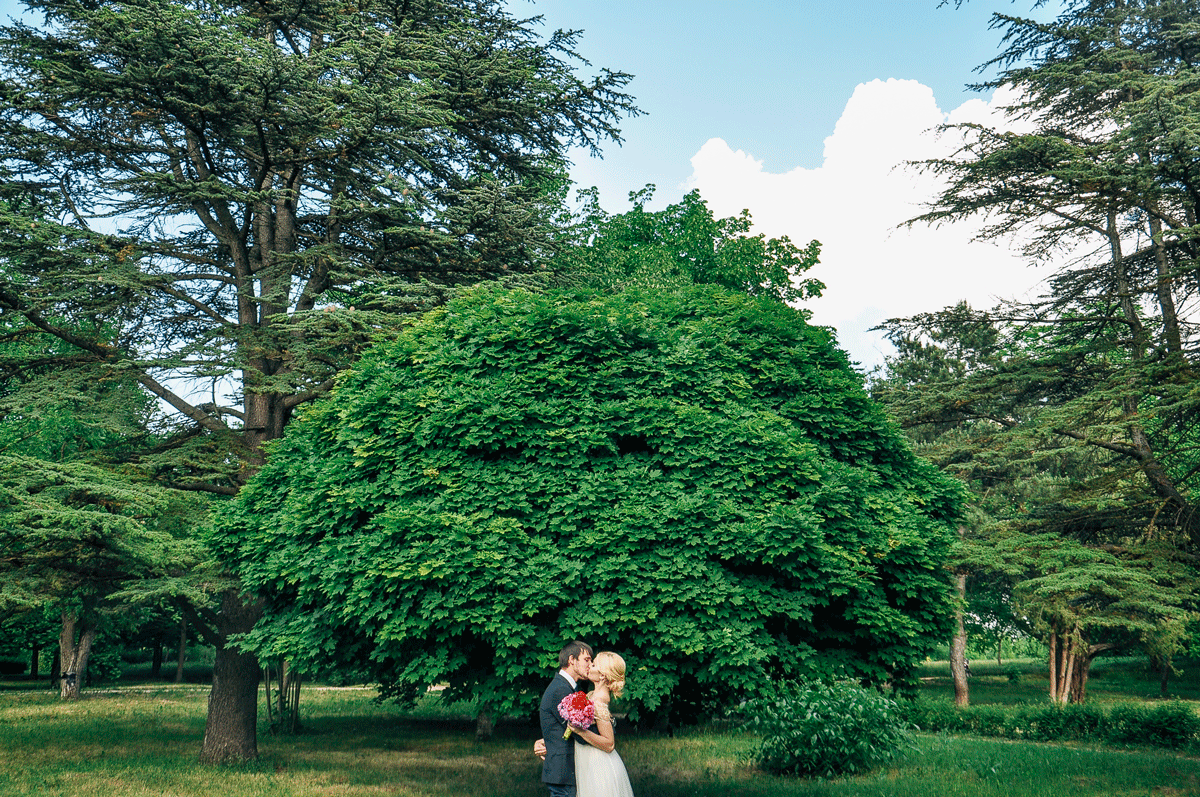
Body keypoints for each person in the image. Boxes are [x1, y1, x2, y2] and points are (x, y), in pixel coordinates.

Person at [536, 651, 634, 797]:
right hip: (588, 760)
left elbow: (609, 744)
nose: (589, 666)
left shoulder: (600, 701)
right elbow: (591, 728)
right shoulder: (593, 695)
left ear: (602, 675)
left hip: (599, 764)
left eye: (593, 664)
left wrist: (580, 731)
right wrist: (549, 741)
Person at [540, 641, 593, 797]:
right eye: (587, 659)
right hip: (563, 771)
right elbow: (579, 733)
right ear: (572, 660)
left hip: (564, 772)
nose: (590, 664)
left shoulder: (567, 687)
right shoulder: (560, 690)